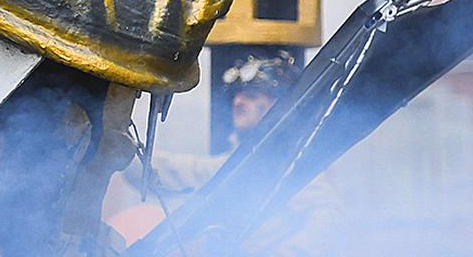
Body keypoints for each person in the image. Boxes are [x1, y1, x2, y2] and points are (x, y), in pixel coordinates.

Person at [105, 52, 343, 256]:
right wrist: (112, 140)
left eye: (252, 94)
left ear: (280, 106)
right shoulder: (236, 164)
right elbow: (169, 171)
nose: (239, 102)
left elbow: (327, 220)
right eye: (237, 95)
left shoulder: (295, 165)